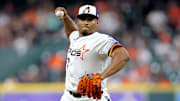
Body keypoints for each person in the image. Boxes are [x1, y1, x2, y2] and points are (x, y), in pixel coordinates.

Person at [55, 4, 129, 101]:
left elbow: (123, 56)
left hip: (92, 97)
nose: (86, 22)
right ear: (78, 21)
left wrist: (101, 76)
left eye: (90, 19)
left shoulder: (102, 40)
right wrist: (65, 18)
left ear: (97, 21)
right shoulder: (75, 37)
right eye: (83, 19)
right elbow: (71, 31)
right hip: (68, 96)